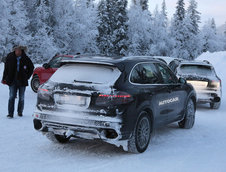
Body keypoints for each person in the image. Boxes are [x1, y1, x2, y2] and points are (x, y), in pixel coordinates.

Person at [1, 45, 34, 118]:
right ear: (14, 50)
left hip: (22, 80)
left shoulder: (25, 58)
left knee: (21, 97)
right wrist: (4, 78)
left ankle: (20, 112)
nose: (17, 52)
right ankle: (10, 113)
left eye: (19, 50)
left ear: (22, 51)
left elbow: (31, 67)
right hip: (12, 80)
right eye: (16, 50)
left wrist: (27, 76)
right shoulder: (10, 57)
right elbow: (6, 68)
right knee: (11, 97)